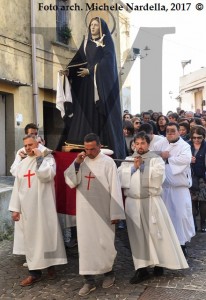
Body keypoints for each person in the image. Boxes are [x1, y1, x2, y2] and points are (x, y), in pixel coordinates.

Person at [118, 132, 188, 284]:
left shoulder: (156, 159)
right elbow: (120, 178)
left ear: (148, 144)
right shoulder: (128, 160)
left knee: (156, 234)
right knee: (137, 236)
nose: (140, 146)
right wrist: (133, 169)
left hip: (151, 201)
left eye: (143, 143)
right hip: (133, 203)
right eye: (137, 143)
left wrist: (143, 167)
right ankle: (141, 269)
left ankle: (159, 264)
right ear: (133, 145)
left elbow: (159, 177)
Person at [64, 133, 125, 297]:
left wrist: (115, 212)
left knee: (104, 243)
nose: (89, 152)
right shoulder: (81, 161)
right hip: (84, 212)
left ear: (100, 146)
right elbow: (70, 182)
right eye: (86, 148)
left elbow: (115, 188)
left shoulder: (108, 163)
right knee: (86, 245)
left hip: (103, 211)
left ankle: (108, 273)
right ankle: (88, 280)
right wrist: (76, 163)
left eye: (92, 149)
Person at [57, 17, 126, 159]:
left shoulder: (107, 43)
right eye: (91, 25)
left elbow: (108, 62)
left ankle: (100, 141)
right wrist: (68, 71)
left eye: (96, 25)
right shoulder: (85, 43)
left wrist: (92, 70)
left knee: (97, 111)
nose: (93, 27)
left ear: (102, 28)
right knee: (81, 110)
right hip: (85, 86)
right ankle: (78, 140)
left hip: (99, 85)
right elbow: (77, 61)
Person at [9, 135, 67, 286]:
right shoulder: (22, 164)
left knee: (47, 237)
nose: (28, 148)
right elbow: (17, 187)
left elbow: (47, 175)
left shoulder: (47, 159)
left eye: (30, 144)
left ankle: (51, 267)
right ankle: (34, 273)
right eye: (26, 145)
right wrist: (15, 209)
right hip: (28, 209)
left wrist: (39, 159)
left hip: (44, 206)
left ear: (38, 144)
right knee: (32, 241)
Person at [153, 123, 195, 257]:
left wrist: (167, 158)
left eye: (173, 131)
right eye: (168, 131)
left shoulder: (185, 146)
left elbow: (185, 159)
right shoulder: (160, 143)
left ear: (179, 132)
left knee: (180, 216)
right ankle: (166, 246)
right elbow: (151, 154)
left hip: (179, 189)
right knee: (165, 217)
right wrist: (160, 153)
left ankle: (182, 245)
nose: (170, 133)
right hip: (163, 189)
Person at [10, 123, 48, 262]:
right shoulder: (22, 151)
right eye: (31, 133)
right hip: (24, 193)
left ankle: (46, 262)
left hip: (38, 194)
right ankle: (29, 257)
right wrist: (21, 159)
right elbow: (14, 171)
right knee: (25, 229)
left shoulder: (44, 151)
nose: (34, 136)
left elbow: (48, 172)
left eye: (35, 134)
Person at [188, 126, 206, 232]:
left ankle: (203, 223)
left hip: (203, 178)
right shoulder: (187, 145)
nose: (196, 140)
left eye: (199, 137)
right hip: (190, 177)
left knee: (203, 202)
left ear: (203, 137)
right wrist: (188, 160)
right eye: (194, 137)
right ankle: (193, 224)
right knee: (192, 202)